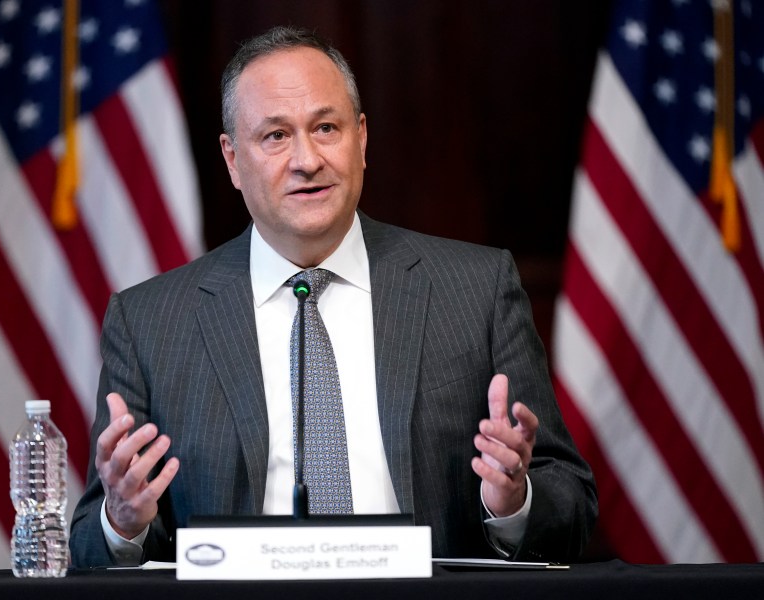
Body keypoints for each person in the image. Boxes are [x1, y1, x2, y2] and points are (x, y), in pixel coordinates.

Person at [70, 26, 597, 567]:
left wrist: (512, 504)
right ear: (231, 159)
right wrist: (124, 524)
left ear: (361, 140)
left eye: (325, 128)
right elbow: (89, 543)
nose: (307, 159)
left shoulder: (476, 289)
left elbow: (573, 504)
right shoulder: (150, 322)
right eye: (275, 136)